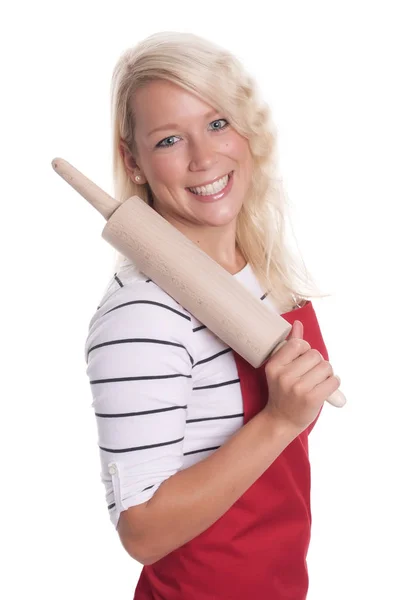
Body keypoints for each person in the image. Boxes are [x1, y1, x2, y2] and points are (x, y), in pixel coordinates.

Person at [84, 31, 341, 600]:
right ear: (136, 162)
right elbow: (143, 531)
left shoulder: (267, 276)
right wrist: (277, 421)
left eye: (218, 123)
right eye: (170, 138)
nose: (204, 157)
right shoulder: (141, 314)